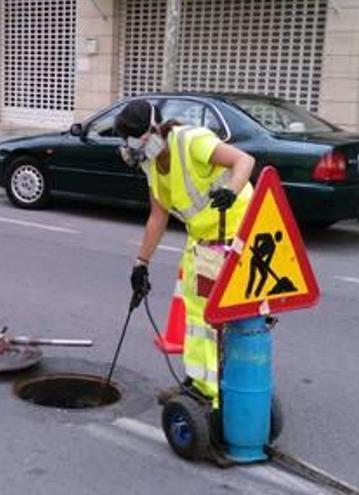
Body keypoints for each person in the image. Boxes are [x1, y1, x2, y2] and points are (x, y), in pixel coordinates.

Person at [115, 99, 255, 407]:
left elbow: (244, 160)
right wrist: (141, 264)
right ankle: (198, 380)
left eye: (134, 140)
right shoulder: (150, 163)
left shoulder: (192, 139)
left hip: (237, 231)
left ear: (153, 129)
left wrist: (230, 190)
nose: (132, 150)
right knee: (194, 311)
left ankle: (218, 391)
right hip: (204, 236)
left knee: (217, 313)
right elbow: (158, 215)